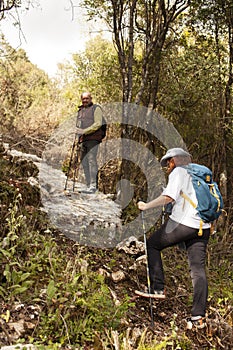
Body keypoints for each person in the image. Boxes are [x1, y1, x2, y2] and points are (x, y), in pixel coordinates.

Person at [136, 148, 210, 329]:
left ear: (176, 159)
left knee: (152, 245)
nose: (168, 166)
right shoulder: (199, 173)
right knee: (197, 269)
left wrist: (147, 206)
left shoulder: (179, 171)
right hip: (203, 227)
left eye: (168, 162)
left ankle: (158, 288)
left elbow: (168, 197)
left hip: (183, 224)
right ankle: (198, 316)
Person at [76, 92, 103, 194]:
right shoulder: (80, 110)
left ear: (91, 99)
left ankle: (93, 186)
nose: (85, 100)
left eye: (87, 98)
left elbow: (98, 124)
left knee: (91, 160)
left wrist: (84, 131)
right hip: (83, 140)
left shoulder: (96, 108)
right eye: (83, 99)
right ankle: (88, 185)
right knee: (84, 161)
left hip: (93, 138)